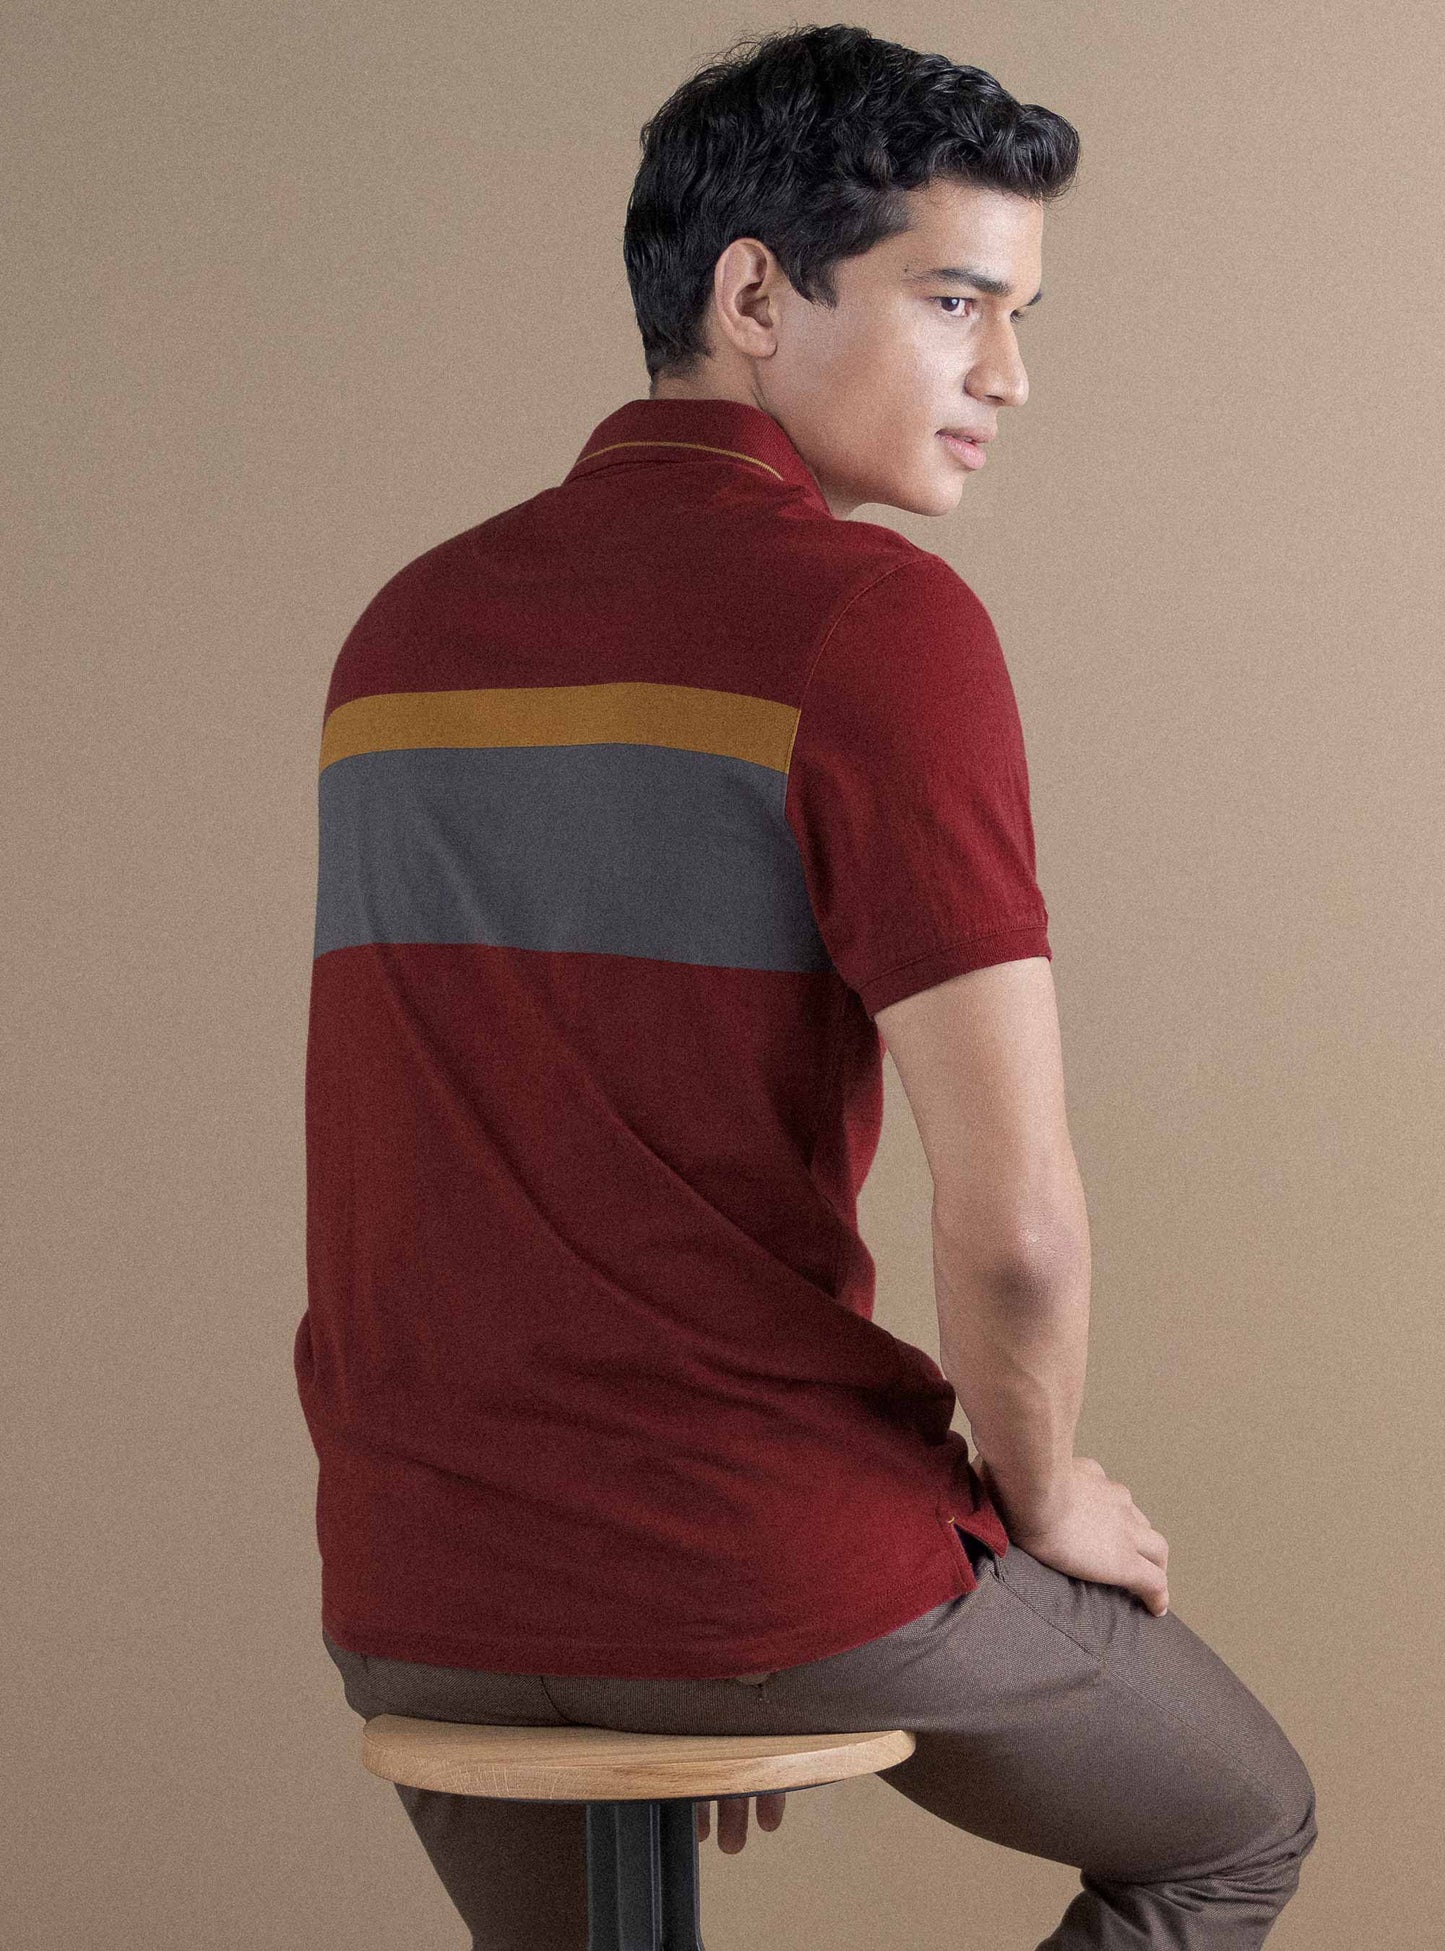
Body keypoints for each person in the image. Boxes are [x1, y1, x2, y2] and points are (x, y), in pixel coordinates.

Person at [300, 23, 1317, 1947]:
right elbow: (1015, 1228)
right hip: (745, 1556)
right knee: (1232, 1832)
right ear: (754, 297)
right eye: (954, 302)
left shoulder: (402, 630)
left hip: (420, 1582)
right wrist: (1039, 1500)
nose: (1006, 374)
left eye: (1015, 316)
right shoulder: (874, 622)